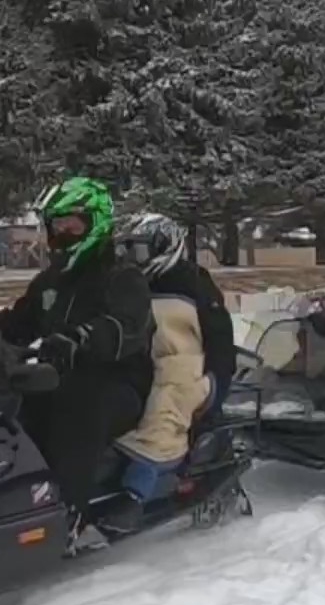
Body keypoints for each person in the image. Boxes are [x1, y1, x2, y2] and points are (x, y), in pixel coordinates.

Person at [0, 174, 155, 547]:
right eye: (56, 226)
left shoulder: (122, 277)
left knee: (78, 403)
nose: (62, 234)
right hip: (57, 375)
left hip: (119, 384)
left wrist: (81, 338)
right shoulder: (50, 282)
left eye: (71, 225)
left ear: (95, 224)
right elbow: (19, 322)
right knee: (8, 403)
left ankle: (68, 515)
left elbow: (126, 327)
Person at [101, 215, 235, 529]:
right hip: (145, 360)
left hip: (190, 368)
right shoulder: (131, 286)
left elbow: (220, 341)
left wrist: (215, 382)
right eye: (128, 251)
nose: (134, 260)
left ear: (165, 248)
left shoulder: (194, 285)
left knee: (166, 399)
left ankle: (136, 490)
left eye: (140, 252)